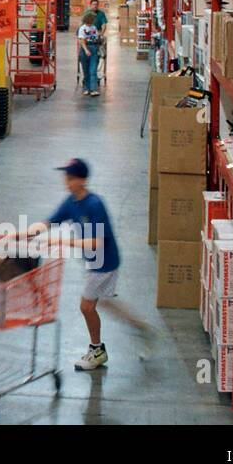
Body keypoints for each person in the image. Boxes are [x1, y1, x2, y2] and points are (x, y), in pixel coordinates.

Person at [27, 159, 150, 370]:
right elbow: (48, 222)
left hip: (105, 263)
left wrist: (61, 241)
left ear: (82, 180)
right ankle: (138, 327)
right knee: (103, 302)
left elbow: (97, 241)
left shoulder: (95, 205)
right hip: (95, 263)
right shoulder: (71, 202)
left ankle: (97, 350)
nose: (66, 181)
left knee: (86, 306)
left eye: (71, 177)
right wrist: (23, 234)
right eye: (66, 176)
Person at [77, 11, 101, 96]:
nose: (94, 20)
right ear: (89, 19)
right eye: (93, 18)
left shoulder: (94, 28)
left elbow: (97, 37)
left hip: (94, 48)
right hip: (85, 49)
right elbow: (81, 40)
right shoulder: (82, 28)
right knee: (86, 69)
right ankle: (86, 88)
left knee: (93, 70)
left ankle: (93, 89)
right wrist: (86, 50)